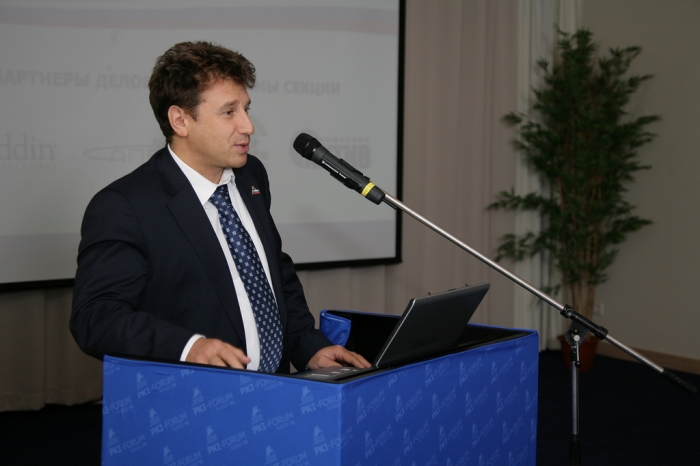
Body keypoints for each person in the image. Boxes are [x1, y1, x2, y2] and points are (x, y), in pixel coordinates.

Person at [70, 41, 369, 373]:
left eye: (246, 109)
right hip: (197, 396)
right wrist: (188, 347)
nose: (248, 126)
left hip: (279, 389)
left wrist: (308, 345)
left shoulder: (251, 175)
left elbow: (272, 272)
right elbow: (96, 318)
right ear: (180, 121)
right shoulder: (125, 206)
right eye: (229, 112)